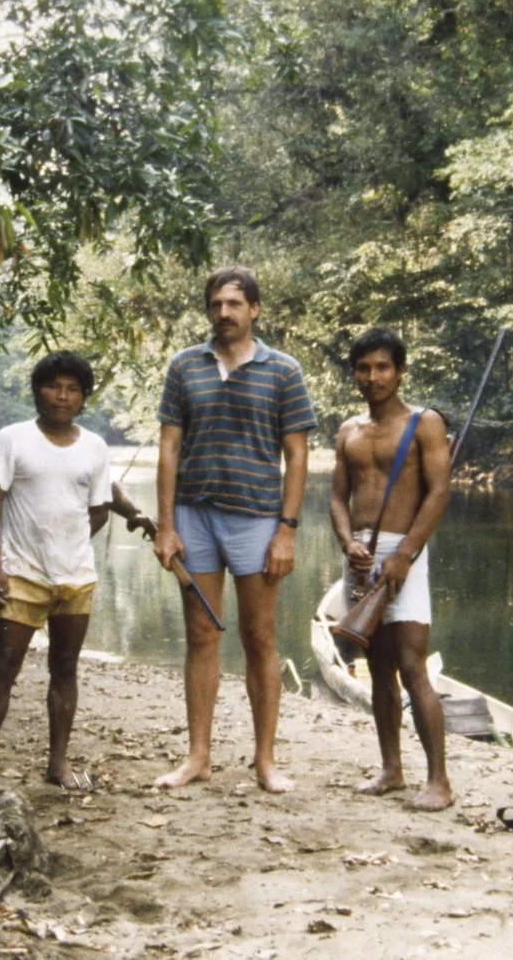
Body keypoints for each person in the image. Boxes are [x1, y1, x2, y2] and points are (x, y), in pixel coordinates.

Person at [152, 266, 316, 794]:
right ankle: (198, 757)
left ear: (255, 310)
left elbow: (296, 455)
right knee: (201, 635)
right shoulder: (185, 366)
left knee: (259, 637)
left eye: (235, 304)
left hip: (256, 517)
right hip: (194, 515)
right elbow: (169, 447)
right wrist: (165, 525)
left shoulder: (283, 371)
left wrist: (286, 530)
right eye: (217, 304)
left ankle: (265, 760)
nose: (225, 313)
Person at [0, 351, 152, 790]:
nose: (61, 396)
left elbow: (102, 504)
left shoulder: (95, 446)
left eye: (72, 389)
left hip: (75, 577)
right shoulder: (12, 439)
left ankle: (58, 763)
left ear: (84, 398)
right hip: (21, 575)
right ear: (36, 390)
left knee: (65, 668)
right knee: (4, 666)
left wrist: (133, 516)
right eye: (53, 386)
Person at [329, 328, 454, 811]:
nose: (373, 376)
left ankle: (439, 781)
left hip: (406, 553)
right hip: (359, 556)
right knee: (378, 667)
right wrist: (345, 542)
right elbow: (338, 498)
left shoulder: (424, 424)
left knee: (410, 664)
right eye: (364, 368)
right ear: (355, 374)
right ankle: (391, 770)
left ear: (400, 372)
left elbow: (438, 493)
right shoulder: (348, 431)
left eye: (383, 367)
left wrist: (406, 555)